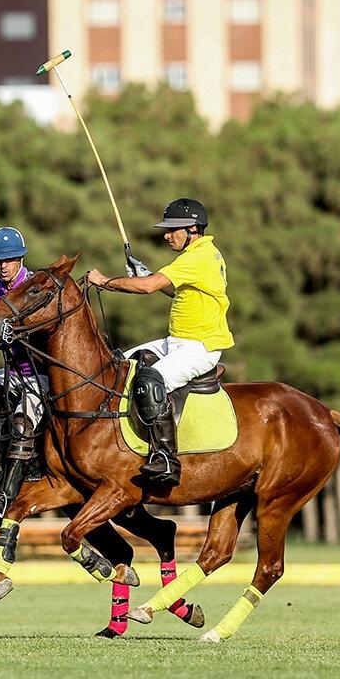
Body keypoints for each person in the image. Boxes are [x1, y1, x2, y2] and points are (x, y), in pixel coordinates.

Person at [87, 199, 233, 485]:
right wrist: (144, 273)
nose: (167, 235)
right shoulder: (198, 253)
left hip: (200, 346)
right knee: (118, 366)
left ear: (192, 229)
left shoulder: (198, 257)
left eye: (172, 229)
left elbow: (149, 287)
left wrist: (104, 281)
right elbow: (170, 290)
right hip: (177, 341)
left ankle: (167, 459)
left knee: (150, 381)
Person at [0, 227, 49, 519]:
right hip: (9, 373)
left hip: (39, 375)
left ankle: (5, 496)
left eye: (9, 260)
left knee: (22, 424)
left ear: (20, 259)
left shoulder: (34, 288)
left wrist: (18, 330)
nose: (3, 265)